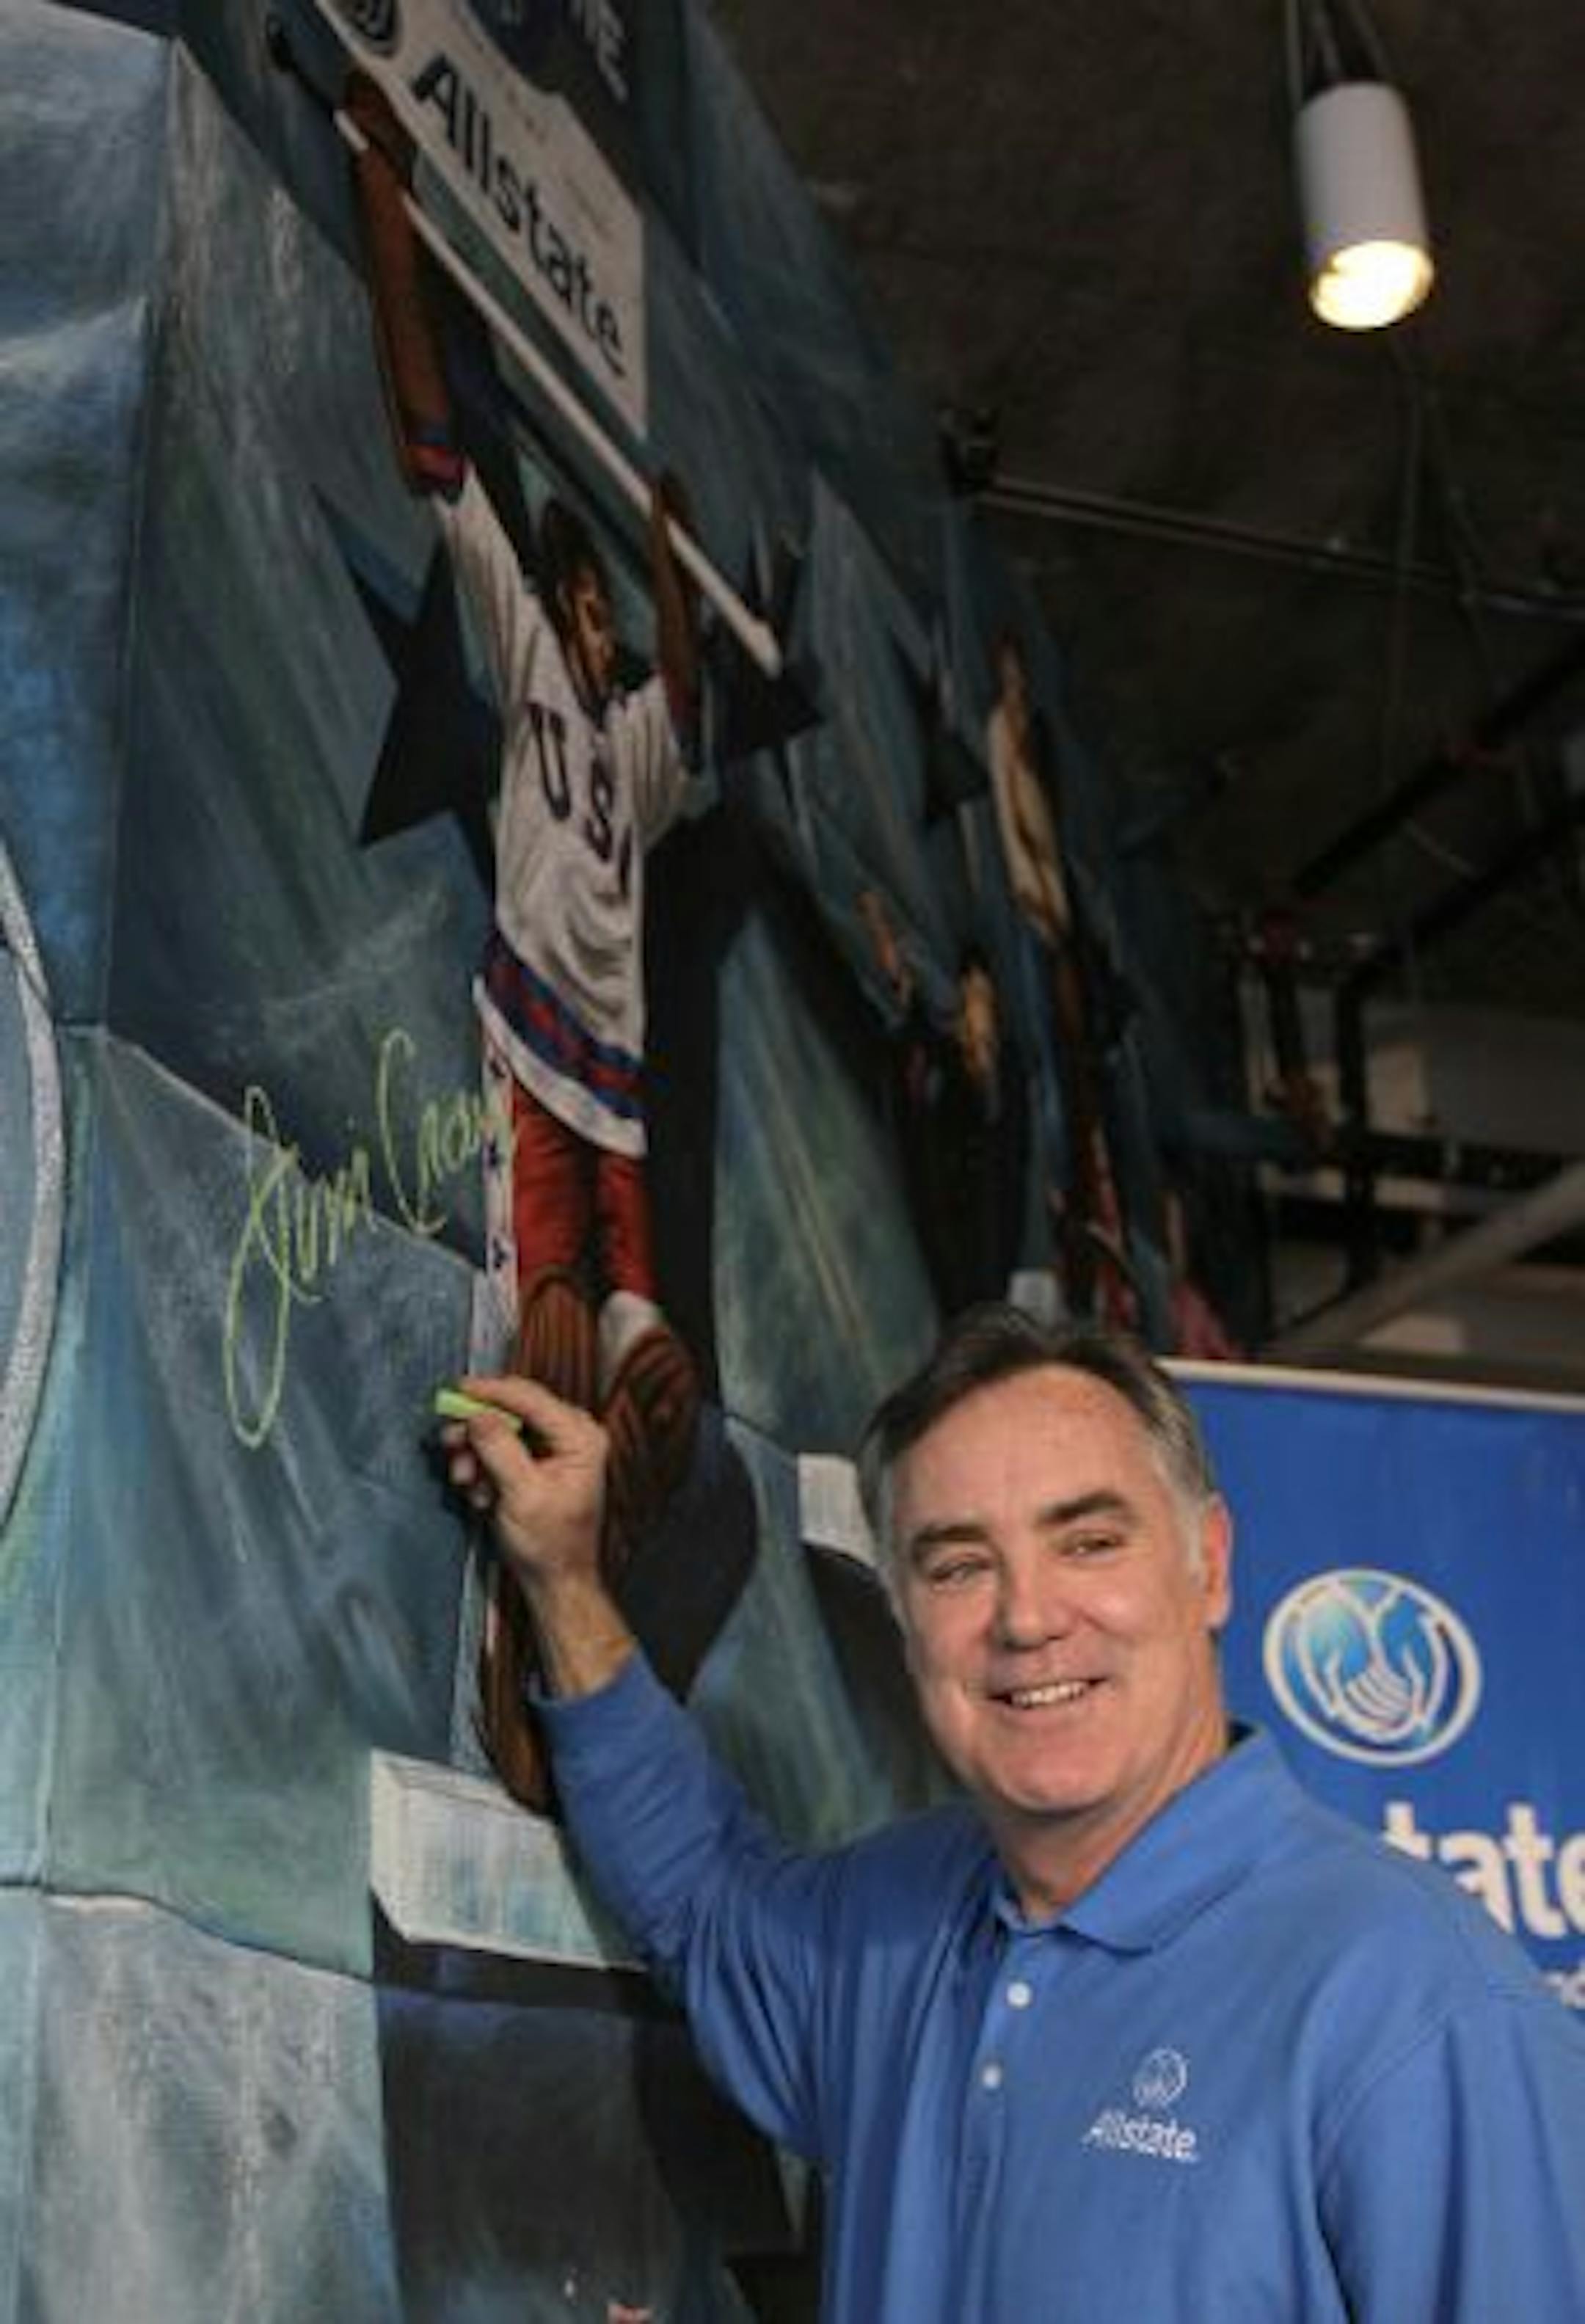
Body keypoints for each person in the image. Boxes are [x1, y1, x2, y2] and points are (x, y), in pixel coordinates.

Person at [441, 1305, 1585, 2320]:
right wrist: (564, 1579)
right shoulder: (894, 1929)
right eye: (957, 1567)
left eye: (1088, 1541)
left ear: (1212, 1565)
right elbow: (698, 1895)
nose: (1027, 1617)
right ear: (904, 1621)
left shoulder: (1417, 2011)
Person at [349, 77, 704, 1803]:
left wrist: (671, 560)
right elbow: (434, 443)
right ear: (553, 603)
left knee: (654, 1390)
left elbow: (691, 707)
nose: (594, 618)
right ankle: (508, 1670)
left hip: (623, 1083)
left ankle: (592, 1626)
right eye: (584, 597)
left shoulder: (633, 733)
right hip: (537, 1051)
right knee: (537, 1353)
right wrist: (384, 202)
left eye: (600, 602)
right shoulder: (532, 653)